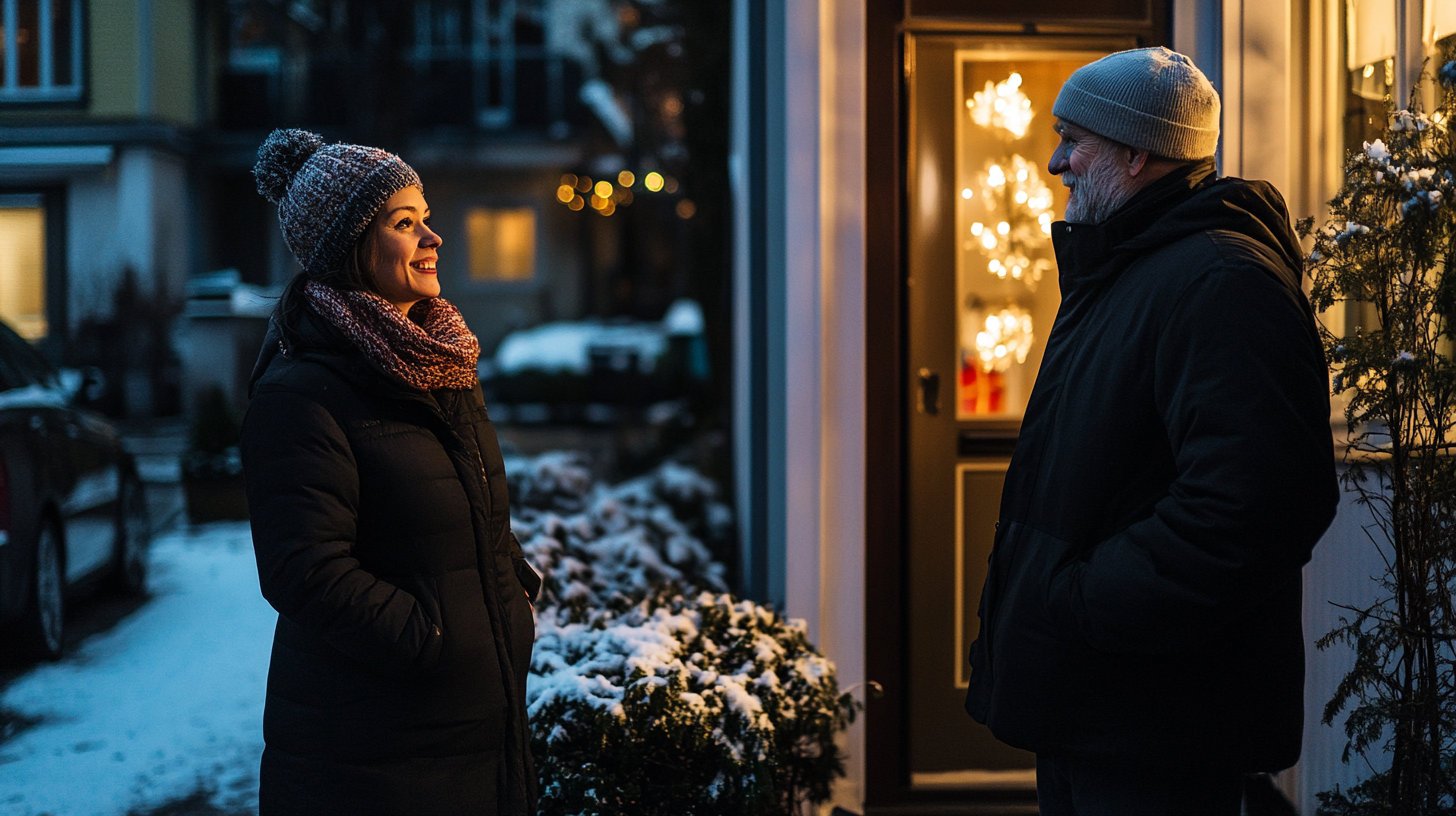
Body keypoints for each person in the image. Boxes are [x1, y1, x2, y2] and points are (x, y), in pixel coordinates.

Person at [963, 47, 1339, 815]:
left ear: (1137, 155)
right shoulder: (1132, 274)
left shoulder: (1218, 284)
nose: (1055, 160)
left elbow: (1259, 504)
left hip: (1154, 726)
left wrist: (1084, 602)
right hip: (1099, 715)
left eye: (1075, 139)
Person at [240, 129, 540, 816]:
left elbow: (476, 524)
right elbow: (304, 570)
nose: (433, 237)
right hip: (373, 762)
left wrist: (511, 593)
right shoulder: (301, 394)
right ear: (349, 249)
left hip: (474, 737)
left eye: (425, 217)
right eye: (405, 224)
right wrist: (434, 638)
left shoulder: (443, 366)